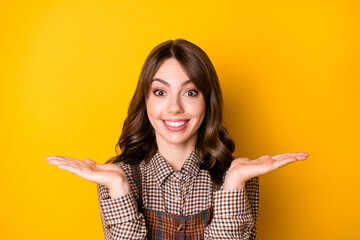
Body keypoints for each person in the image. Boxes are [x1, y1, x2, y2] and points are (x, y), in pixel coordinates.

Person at [46, 39, 309, 240]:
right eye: (160, 92)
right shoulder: (118, 175)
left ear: (208, 101)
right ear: (145, 100)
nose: (174, 108)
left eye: (190, 92)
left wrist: (234, 183)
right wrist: (117, 185)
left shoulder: (239, 176)